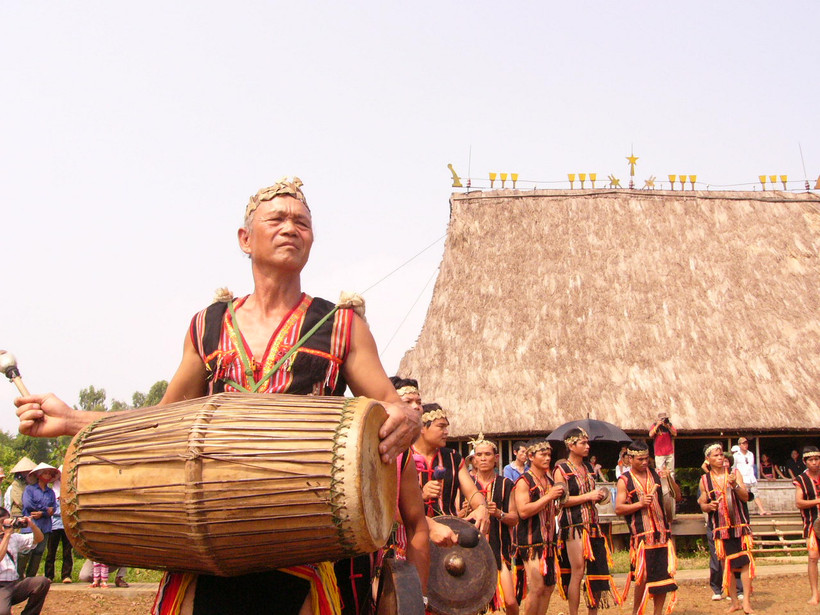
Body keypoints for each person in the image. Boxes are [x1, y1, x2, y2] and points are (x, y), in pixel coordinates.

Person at [15, 177, 424, 615]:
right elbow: (161, 421)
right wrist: (71, 420)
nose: (291, 228)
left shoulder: (342, 325)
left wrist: (406, 418)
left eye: (302, 223)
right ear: (245, 239)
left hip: (299, 539)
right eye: (278, 219)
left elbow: (389, 404)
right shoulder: (207, 323)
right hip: (207, 541)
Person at [554, 428, 620, 615]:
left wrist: (598, 497)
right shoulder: (561, 470)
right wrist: (588, 496)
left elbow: (591, 495)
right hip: (574, 525)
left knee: (597, 571)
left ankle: (593, 613)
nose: (587, 446)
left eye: (587, 442)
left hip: (592, 524)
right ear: (571, 445)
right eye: (582, 443)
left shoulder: (589, 468)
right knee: (578, 570)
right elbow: (562, 500)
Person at [614, 441, 680, 615]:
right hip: (641, 536)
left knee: (663, 579)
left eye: (646, 459)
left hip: (662, 534)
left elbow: (677, 495)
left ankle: (657, 613)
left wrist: (669, 479)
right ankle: (638, 612)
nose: (644, 462)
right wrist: (639, 504)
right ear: (630, 459)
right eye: (640, 459)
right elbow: (619, 508)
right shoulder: (624, 481)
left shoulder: (657, 475)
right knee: (641, 579)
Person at [410, 403, 488, 526]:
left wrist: (481, 507)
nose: (446, 432)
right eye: (441, 427)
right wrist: (422, 495)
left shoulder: (453, 457)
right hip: (412, 530)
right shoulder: (403, 456)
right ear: (422, 428)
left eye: (446, 427)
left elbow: (472, 492)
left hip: (448, 531)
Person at [698, 443, 754, 614]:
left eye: (721, 454)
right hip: (720, 527)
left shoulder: (734, 474)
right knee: (726, 564)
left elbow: (745, 497)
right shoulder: (704, 480)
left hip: (739, 525)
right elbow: (702, 502)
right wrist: (709, 506)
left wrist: (735, 485)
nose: (720, 458)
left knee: (744, 563)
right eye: (715, 455)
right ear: (708, 459)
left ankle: (746, 602)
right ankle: (734, 602)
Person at [514, 438, 565, 615]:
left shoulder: (549, 480)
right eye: (543, 454)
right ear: (530, 456)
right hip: (531, 541)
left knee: (548, 587)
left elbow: (552, 510)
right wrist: (549, 497)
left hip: (549, 541)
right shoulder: (524, 481)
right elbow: (523, 511)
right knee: (536, 588)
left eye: (549, 454)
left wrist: (557, 503)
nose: (547, 458)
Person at [470, 434, 519, 615]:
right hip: (471, 551)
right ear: (474, 459)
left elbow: (514, 519)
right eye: (479, 455)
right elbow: (455, 516)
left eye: (488, 454)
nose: (483, 458)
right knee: (472, 603)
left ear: (496, 458)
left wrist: (499, 513)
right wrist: (466, 512)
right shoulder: (467, 483)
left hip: (499, 550)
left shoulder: (506, 484)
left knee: (511, 602)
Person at [0, 508, 50, 615]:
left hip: (14, 584)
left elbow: (39, 539)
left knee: (41, 582)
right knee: (3, 612)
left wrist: (32, 526)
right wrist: (7, 535)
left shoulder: (14, 538)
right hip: (1, 587)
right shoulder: (9, 537)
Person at [793, 445, 820, 605]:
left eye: (817, 459)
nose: (815, 462)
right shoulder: (800, 480)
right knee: (813, 557)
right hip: (811, 524)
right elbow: (799, 502)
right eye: (811, 460)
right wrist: (817, 501)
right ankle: (815, 594)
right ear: (805, 462)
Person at [20, 464, 57, 579]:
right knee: (25, 550)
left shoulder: (51, 492)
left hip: (45, 525)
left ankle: (30, 577)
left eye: (49, 473)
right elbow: (28, 504)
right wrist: (46, 510)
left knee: (39, 551)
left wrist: (43, 513)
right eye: (45, 473)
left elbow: (54, 508)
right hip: (30, 525)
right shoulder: (29, 489)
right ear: (39, 475)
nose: (47, 475)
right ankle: (18, 576)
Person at [43, 465, 72, 584]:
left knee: (67, 551)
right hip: (54, 523)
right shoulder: (51, 490)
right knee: (51, 551)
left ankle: (66, 575)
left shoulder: (70, 488)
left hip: (67, 523)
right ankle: (49, 575)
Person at [733, 438, 768, 515]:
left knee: (755, 494)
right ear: (740, 445)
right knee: (743, 496)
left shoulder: (751, 454)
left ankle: (761, 510)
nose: (745, 445)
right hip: (742, 479)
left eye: (746, 443)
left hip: (751, 478)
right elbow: (734, 467)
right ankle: (741, 513)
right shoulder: (735, 456)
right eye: (743, 443)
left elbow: (750, 465)